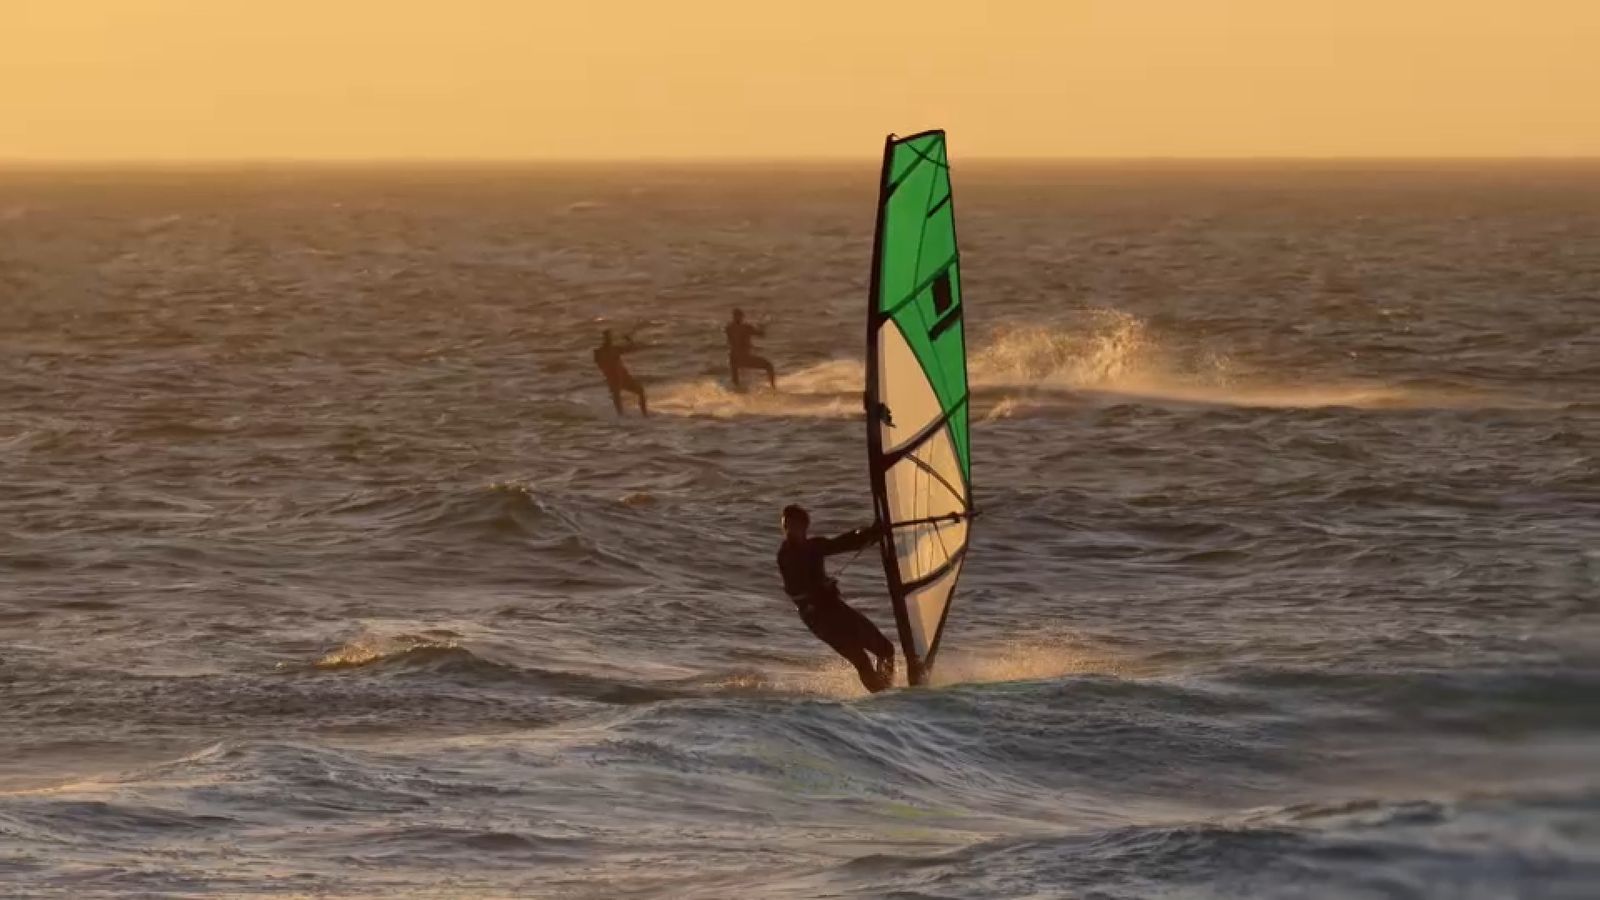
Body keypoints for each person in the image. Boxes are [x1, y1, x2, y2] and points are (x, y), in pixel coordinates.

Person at [777, 504, 896, 692]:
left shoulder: (814, 546)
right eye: (787, 527)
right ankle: (883, 696)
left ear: (804, 526)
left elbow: (842, 543)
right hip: (817, 618)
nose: (790, 531)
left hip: (836, 609)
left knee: (886, 650)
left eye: (793, 526)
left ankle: (887, 692)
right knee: (862, 661)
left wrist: (870, 533)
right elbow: (795, 586)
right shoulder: (786, 555)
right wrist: (818, 589)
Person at [593, 329, 648, 417]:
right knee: (617, 397)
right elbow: (599, 363)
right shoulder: (599, 352)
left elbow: (632, 348)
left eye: (610, 338)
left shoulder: (614, 349)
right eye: (607, 338)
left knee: (640, 391)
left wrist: (628, 339)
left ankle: (645, 415)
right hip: (613, 378)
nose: (609, 340)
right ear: (603, 339)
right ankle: (621, 417)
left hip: (623, 376)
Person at [725, 308, 776, 390]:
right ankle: (773, 388)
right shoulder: (746, 327)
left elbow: (733, 342)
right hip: (744, 357)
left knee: (736, 381)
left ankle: (736, 393)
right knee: (769, 366)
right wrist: (763, 326)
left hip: (733, 358)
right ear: (741, 317)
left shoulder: (728, 328)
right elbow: (761, 334)